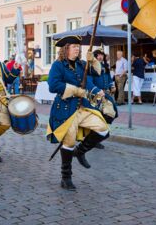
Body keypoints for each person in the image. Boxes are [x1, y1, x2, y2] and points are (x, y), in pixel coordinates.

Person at [47, 36, 110, 191]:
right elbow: (53, 85)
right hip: (66, 109)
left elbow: (97, 74)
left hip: (83, 107)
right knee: (68, 142)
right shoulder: (58, 65)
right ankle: (66, 177)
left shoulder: (82, 64)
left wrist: (93, 60)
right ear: (66, 48)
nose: (77, 49)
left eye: (78, 46)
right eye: (74, 46)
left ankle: (80, 152)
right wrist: (76, 90)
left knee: (103, 129)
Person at [88, 49, 118, 140]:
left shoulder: (105, 66)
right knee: (97, 116)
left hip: (106, 94)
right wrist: (96, 91)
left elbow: (109, 79)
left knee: (110, 114)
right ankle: (94, 137)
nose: (100, 57)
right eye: (98, 55)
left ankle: (97, 134)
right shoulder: (91, 67)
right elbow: (89, 82)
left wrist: (112, 86)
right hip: (95, 96)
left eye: (102, 55)